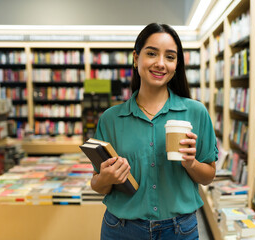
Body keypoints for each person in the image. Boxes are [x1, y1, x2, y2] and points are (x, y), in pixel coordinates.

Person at [91, 22, 218, 240]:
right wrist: (107, 177)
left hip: (179, 231)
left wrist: (191, 164)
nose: (160, 64)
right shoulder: (111, 119)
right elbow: (97, 184)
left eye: (170, 57)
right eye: (151, 54)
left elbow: (208, 176)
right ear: (136, 57)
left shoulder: (196, 112)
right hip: (121, 230)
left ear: (177, 64)